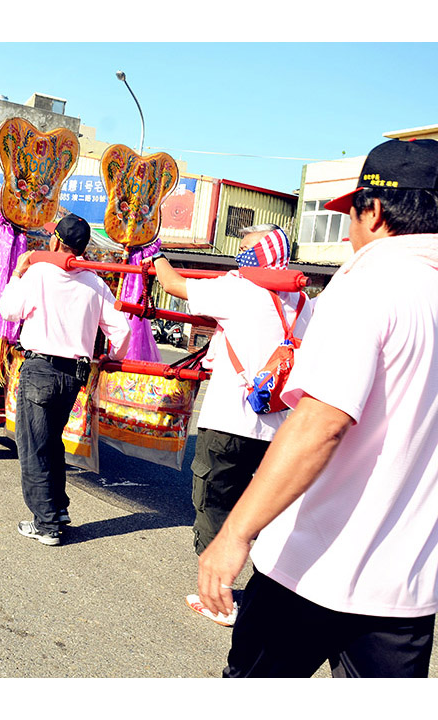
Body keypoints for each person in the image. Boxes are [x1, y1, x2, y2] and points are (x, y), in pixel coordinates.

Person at [196, 138, 438, 678]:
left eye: (349, 215)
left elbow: (320, 424)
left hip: (311, 572)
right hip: (406, 593)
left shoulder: (368, 286)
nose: (348, 233)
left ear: (373, 211)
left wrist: (233, 534)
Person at [146, 223, 314, 626]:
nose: (238, 255)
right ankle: (264, 594)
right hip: (277, 428)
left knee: (214, 504)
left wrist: (155, 253)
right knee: (262, 512)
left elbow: (173, 284)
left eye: (243, 248)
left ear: (257, 255)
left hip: (228, 421)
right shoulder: (305, 303)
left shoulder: (236, 289)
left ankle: (219, 596)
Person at [0, 214, 131, 546]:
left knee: (33, 448)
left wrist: (17, 273)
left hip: (40, 370)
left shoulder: (40, 273)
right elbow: (123, 329)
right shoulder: (95, 282)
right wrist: (113, 358)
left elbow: (8, 309)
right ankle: (57, 510)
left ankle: (46, 524)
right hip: (73, 376)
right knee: (51, 444)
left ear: (55, 242)